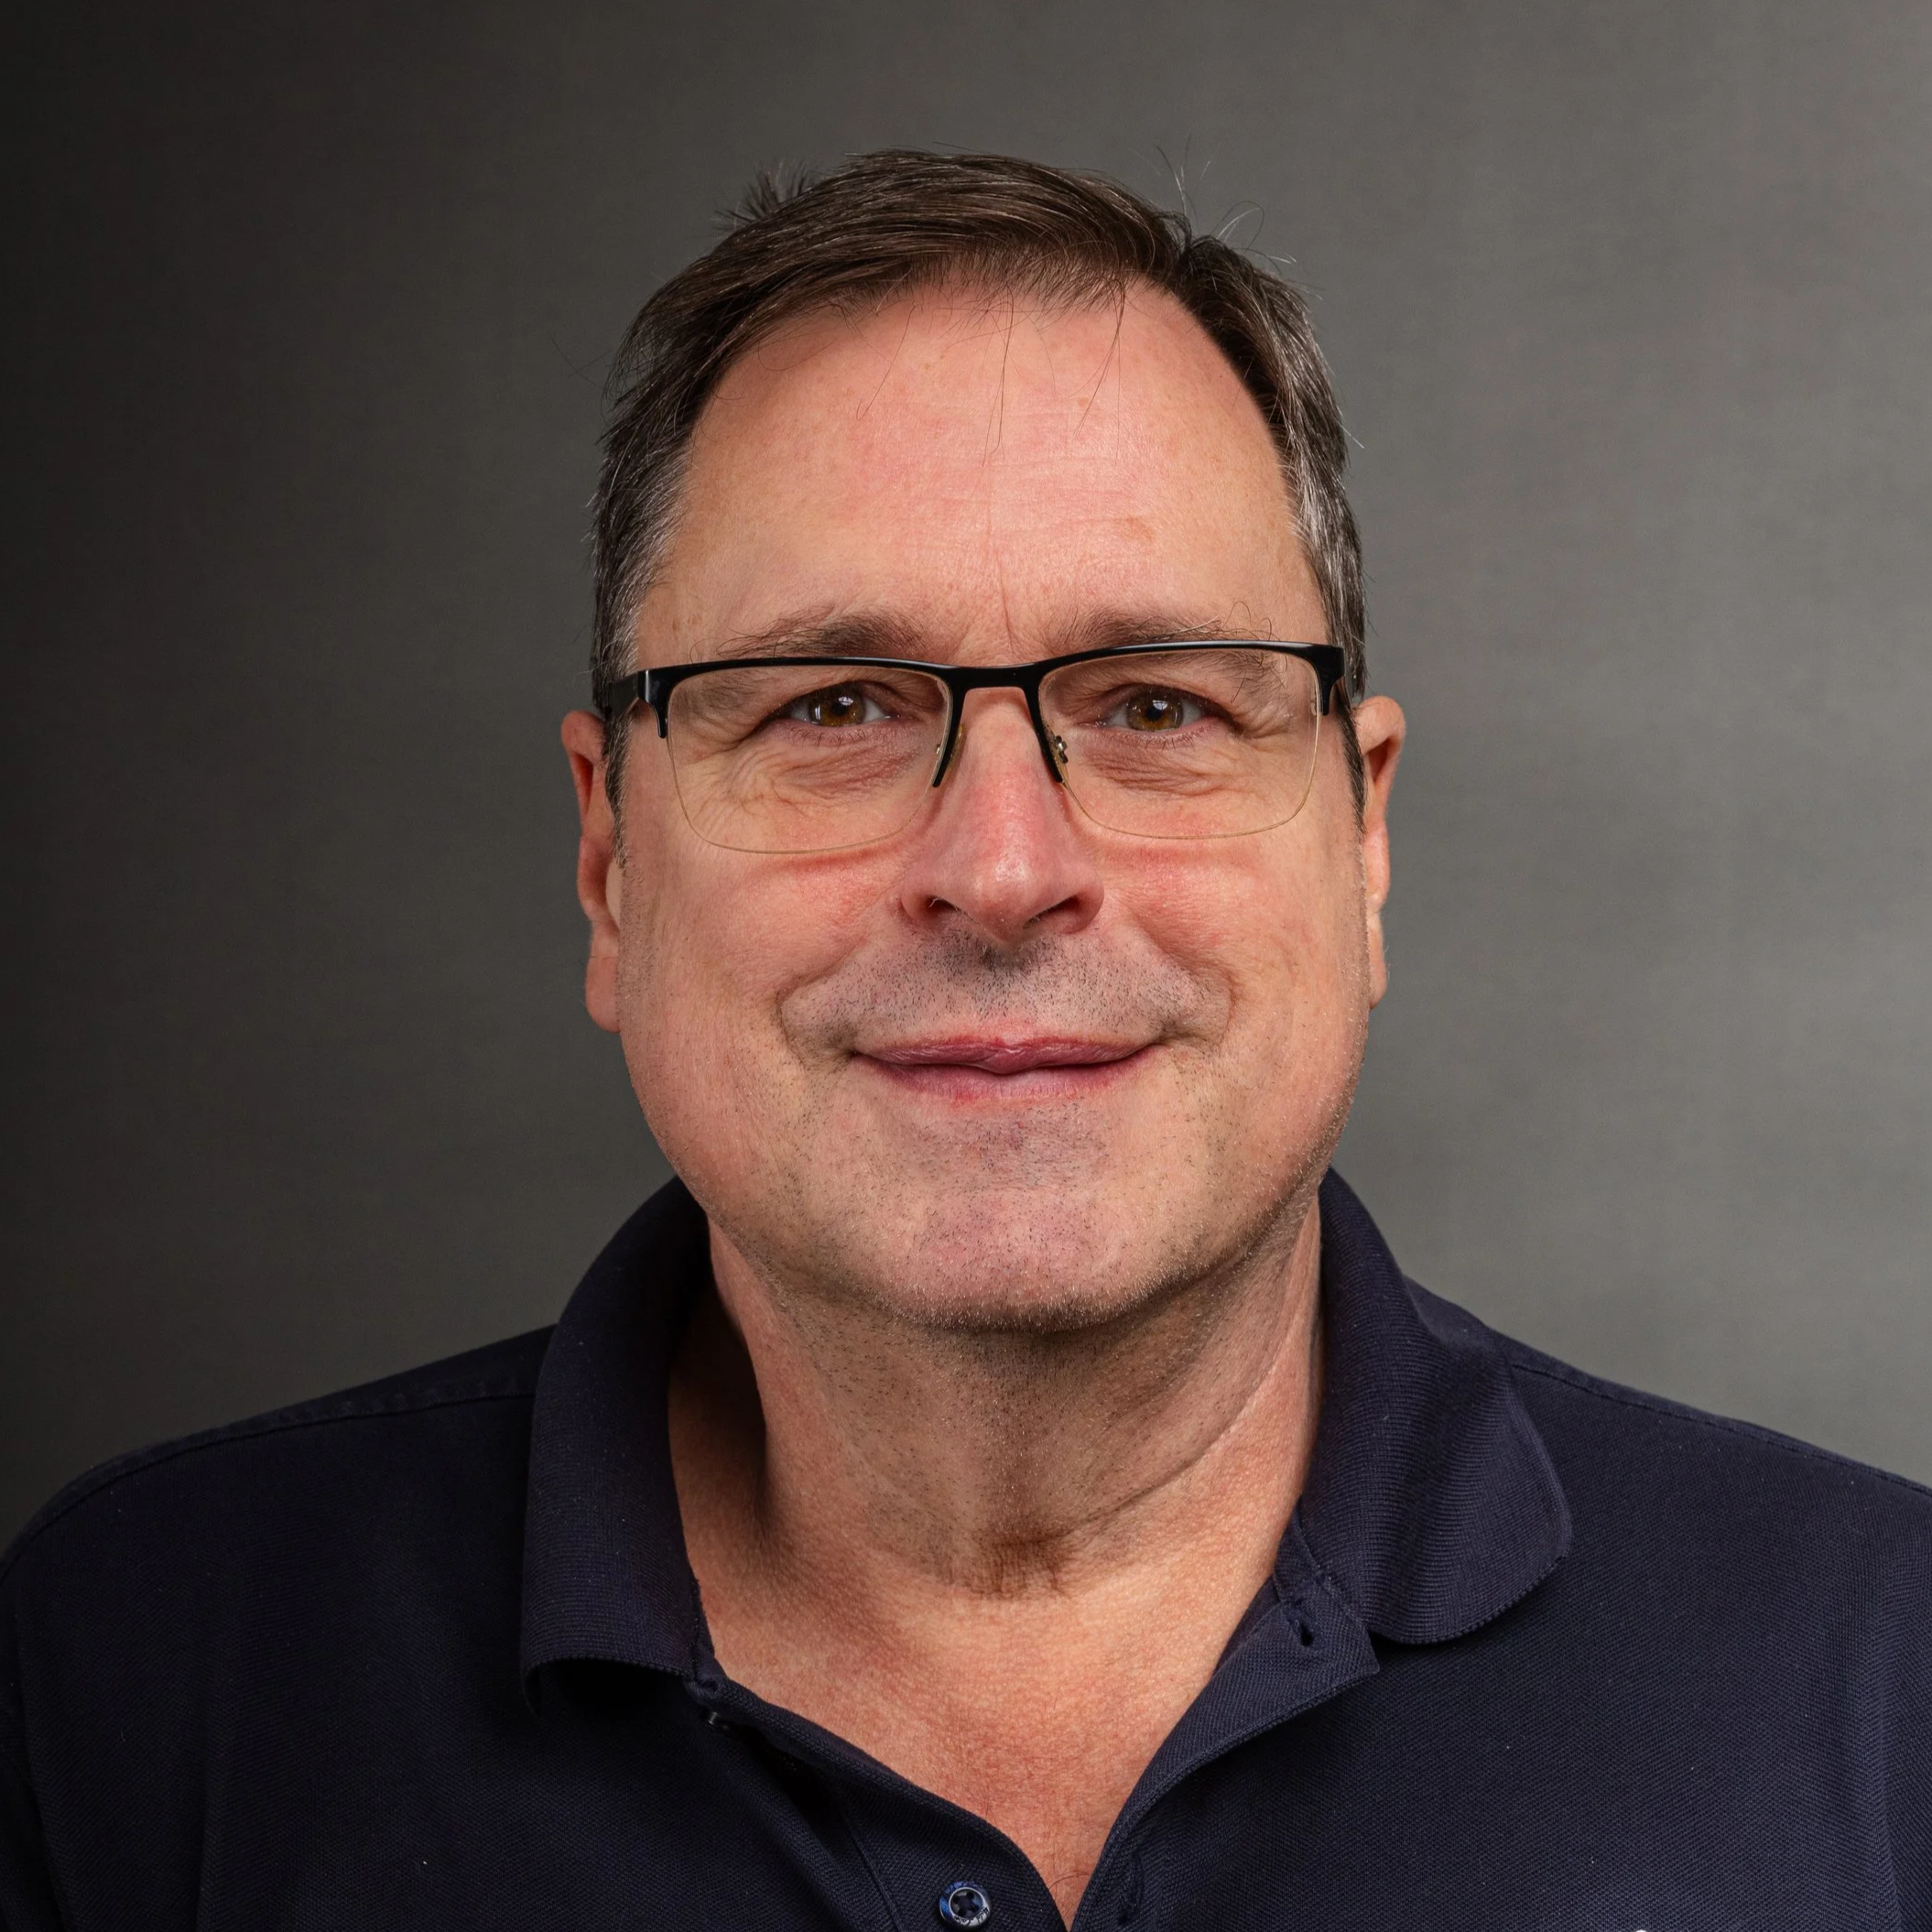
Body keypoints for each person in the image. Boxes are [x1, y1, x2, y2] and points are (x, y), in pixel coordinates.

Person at [3, 150, 1927, 1932]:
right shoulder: (136, 1675)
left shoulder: (1880, 1684)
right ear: (608, 858)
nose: (1001, 866)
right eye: (833, 700)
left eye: (1159, 703)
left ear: (1358, 836)